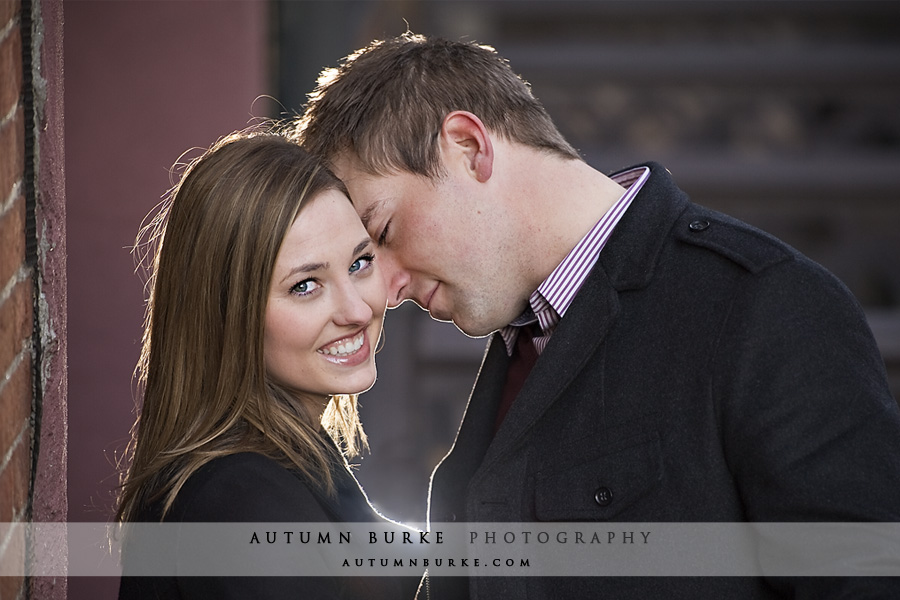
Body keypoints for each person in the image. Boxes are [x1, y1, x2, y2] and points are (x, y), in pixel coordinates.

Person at [294, 33, 900, 598]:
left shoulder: (765, 306)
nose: (387, 290)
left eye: (384, 233)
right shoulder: (523, 341)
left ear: (468, 148)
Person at [115, 130, 417, 599]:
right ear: (226, 314)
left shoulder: (287, 454)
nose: (357, 310)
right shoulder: (240, 498)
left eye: (360, 262)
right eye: (305, 285)